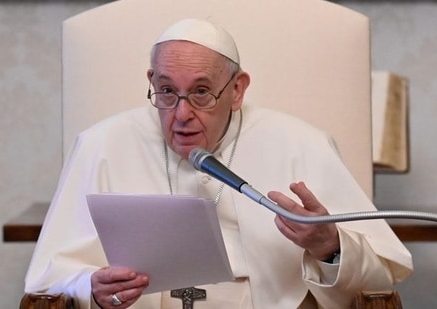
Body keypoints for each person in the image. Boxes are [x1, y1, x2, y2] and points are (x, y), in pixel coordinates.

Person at [25, 18, 413, 308]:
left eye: (201, 93)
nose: (180, 114)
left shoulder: (302, 143)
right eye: (165, 91)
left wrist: (331, 247)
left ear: (238, 89)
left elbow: (382, 272)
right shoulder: (101, 145)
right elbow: (47, 279)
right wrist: (90, 287)